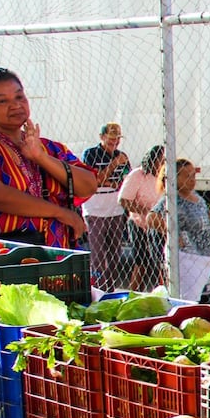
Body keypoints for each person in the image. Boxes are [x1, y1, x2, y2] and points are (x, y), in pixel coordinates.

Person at [0, 67, 94, 247]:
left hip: (61, 256)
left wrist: (41, 158)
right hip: (9, 262)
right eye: (2, 101)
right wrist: (60, 213)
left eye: (19, 97)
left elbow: (88, 186)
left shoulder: (49, 148)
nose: (16, 106)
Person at [148, 159, 210, 301]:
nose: (192, 180)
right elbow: (151, 218)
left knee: (205, 298)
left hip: (205, 256)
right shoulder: (172, 199)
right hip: (187, 256)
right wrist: (173, 234)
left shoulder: (198, 198)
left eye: (193, 175)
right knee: (188, 299)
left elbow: (202, 221)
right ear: (175, 177)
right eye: (187, 176)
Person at [81, 122, 132, 291]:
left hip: (115, 210)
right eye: (111, 139)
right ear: (102, 137)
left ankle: (109, 289)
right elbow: (94, 181)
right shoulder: (91, 154)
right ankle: (96, 288)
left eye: (117, 139)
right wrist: (114, 165)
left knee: (114, 254)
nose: (115, 142)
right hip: (94, 210)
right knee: (97, 254)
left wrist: (109, 181)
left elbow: (125, 182)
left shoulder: (122, 156)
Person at [117, 145, 166, 291]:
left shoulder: (166, 176)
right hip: (139, 223)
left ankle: (166, 293)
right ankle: (135, 294)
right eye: (161, 160)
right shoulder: (138, 175)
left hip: (160, 225)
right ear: (152, 160)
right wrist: (145, 211)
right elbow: (124, 200)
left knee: (162, 262)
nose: (163, 163)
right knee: (142, 262)